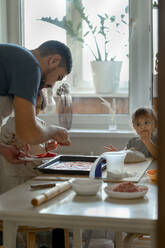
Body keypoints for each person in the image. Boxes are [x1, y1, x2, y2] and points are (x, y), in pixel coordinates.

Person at [0, 40, 72, 164]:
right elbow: (29, 134)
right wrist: (54, 130)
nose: (51, 86)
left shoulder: (16, 60)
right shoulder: (30, 65)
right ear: (54, 60)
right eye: (58, 78)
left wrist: (3, 149)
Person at [0, 90, 58, 193]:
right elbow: (3, 141)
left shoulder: (41, 124)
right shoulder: (12, 123)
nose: (34, 111)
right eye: (31, 106)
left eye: (38, 107)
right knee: (13, 197)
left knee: (32, 196)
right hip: (16, 174)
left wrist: (47, 147)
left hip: (34, 172)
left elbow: (40, 148)